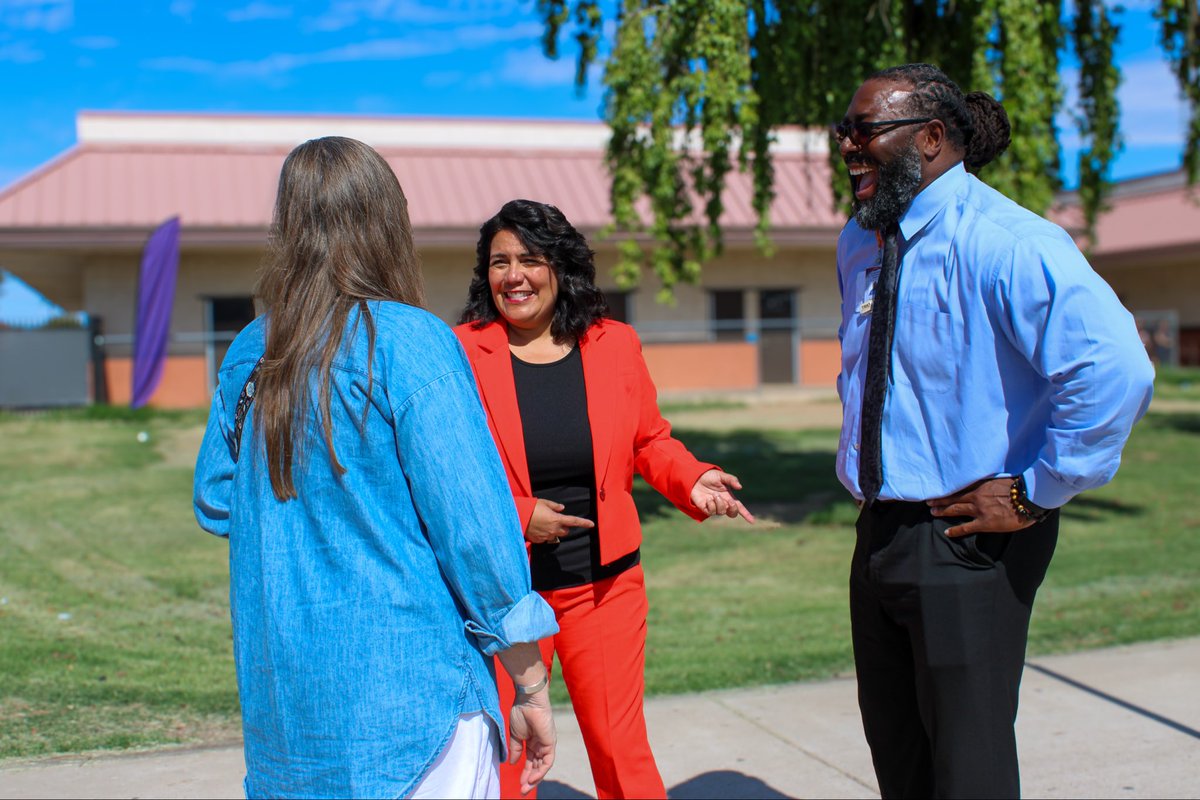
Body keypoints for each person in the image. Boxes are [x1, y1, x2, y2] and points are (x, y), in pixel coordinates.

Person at [193, 137, 559, 799]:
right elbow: (476, 533)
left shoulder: (252, 348)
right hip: (414, 708)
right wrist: (530, 681)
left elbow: (217, 499)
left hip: (290, 716)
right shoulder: (412, 342)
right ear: (386, 223)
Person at [832, 64, 1155, 798]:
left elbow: (1114, 370)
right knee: (899, 754)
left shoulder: (1008, 241)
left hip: (971, 539)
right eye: (842, 131)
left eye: (864, 130)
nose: (848, 146)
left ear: (934, 138)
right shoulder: (861, 243)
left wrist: (1038, 490)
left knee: (967, 768)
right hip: (880, 530)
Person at [454, 199, 754, 800]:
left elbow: (649, 439)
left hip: (605, 589)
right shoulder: (460, 353)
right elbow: (448, 474)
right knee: (510, 764)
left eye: (530, 260)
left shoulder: (613, 343)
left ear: (560, 266)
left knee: (620, 751)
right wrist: (519, 516)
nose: (513, 276)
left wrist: (692, 480)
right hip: (506, 597)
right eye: (499, 262)